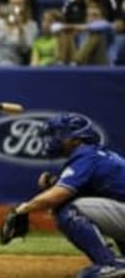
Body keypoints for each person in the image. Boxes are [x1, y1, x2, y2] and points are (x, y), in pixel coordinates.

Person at [12, 113, 125, 278]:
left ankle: (109, 264)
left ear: (77, 139)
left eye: (59, 134)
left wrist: (23, 209)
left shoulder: (86, 156)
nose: (53, 140)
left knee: (68, 208)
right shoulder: (98, 155)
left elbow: (58, 195)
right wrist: (54, 181)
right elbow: (94, 190)